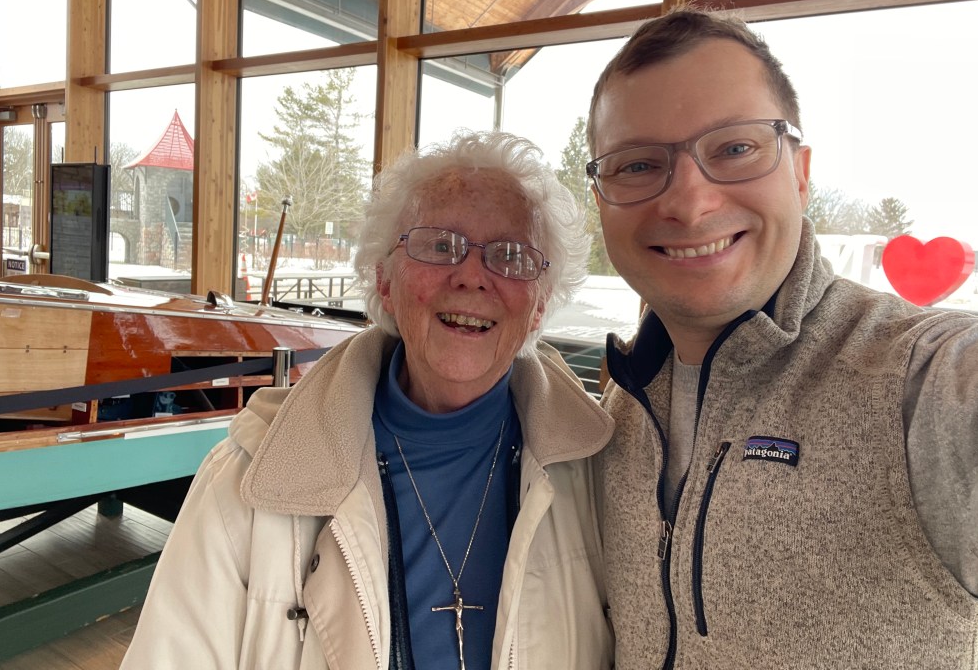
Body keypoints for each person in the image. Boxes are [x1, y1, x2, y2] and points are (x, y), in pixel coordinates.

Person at [585, 6, 978, 668]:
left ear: (800, 175)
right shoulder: (619, 413)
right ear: (602, 199)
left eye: (735, 149)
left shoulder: (919, 385)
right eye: (636, 165)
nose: (689, 202)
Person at [120, 130, 615, 669]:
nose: (473, 276)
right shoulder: (248, 478)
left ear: (540, 305)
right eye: (440, 245)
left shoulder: (600, 471)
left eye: (511, 256)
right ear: (383, 282)